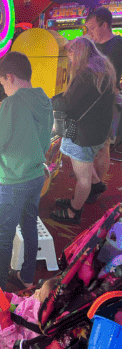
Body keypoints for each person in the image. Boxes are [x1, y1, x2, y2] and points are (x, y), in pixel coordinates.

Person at [0, 52, 53, 291]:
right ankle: (27, 276)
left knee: (5, 233)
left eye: (3, 84)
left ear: (10, 77)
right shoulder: (44, 98)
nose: (4, 89)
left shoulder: (12, 103)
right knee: (30, 224)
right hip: (36, 174)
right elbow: (39, 138)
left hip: (14, 178)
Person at [51, 37, 116, 224]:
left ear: (79, 52)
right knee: (86, 165)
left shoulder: (86, 74)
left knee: (82, 177)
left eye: (71, 52)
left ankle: (74, 212)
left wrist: (46, 101)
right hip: (97, 132)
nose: (69, 57)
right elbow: (74, 98)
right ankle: (96, 186)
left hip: (84, 134)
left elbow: (68, 103)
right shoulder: (102, 70)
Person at [84, 7, 122, 203]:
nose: (89, 33)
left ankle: (94, 188)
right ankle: (93, 182)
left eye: (92, 28)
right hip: (88, 101)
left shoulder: (118, 44)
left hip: (106, 103)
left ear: (104, 25)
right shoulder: (92, 47)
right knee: (82, 145)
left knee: (102, 147)